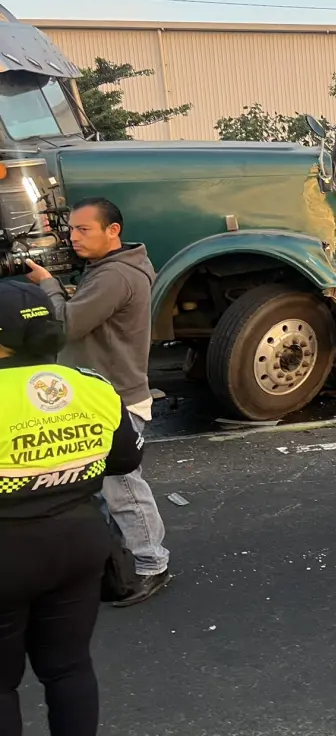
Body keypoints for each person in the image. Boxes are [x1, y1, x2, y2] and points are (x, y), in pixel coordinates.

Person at [0, 280, 145, 736]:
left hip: (7, 549)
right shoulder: (90, 385)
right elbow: (126, 458)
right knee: (68, 668)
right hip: (80, 542)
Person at [25, 197, 171, 607]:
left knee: (121, 485)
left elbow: (67, 326)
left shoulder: (113, 277)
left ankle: (151, 563)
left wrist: (48, 287)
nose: (73, 238)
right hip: (102, 393)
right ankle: (115, 562)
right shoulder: (111, 270)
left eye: (83, 230)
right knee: (101, 488)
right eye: (71, 229)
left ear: (113, 231)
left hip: (113, 399)